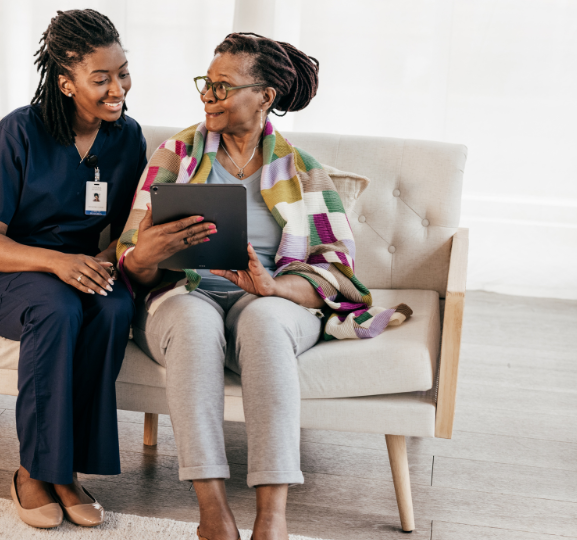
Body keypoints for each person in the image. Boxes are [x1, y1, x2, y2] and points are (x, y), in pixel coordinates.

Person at [116, 33, 411, 540]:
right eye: (206, 84)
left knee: (264, 321)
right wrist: (145, 253)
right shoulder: (176, 154)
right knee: (191, 318)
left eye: (224, 86)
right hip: (181, 294)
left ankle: (272, 517)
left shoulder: (302, 170)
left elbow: (335, 270)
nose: (208, 94)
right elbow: (131, 262)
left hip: (271, 298)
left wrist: (272, 287)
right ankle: (213, 514)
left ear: (265, 96)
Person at [0, 9, 146, 530]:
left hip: (71, 268)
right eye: (100, 78)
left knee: (114, 304)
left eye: (122, 72)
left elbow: (122, 235)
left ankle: (68, 470)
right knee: (54, 309)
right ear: (65, 82)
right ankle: (33, 469)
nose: (116, 87)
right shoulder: (19, 131)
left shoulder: (126, 138)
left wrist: (100, 266)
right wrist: (59, 263)